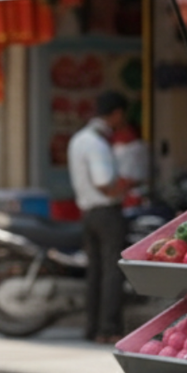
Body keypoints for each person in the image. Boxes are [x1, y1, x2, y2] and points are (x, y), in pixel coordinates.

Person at [68, 92, 133, 344]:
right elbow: (104, 183)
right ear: (116, 113)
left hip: (88, 214)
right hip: (107, 213)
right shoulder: (97, 143)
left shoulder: (78, 139)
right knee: (112, 272)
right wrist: (127, 185)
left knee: (95, 273)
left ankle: (92, 327)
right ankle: (108, 329)